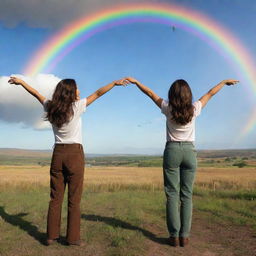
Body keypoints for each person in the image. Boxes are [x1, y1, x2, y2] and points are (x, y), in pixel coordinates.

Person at [8, 76, 128, 246]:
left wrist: (22, 83)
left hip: (57, 153)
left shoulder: (50, 106)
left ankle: (51, 236)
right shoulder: (77, 106)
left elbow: (35, 93)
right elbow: (99, 93)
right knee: (74, 199)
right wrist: (114, 83)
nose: (79, 90)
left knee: (55, 198)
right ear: (71, 92)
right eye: (77, 88)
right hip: (74, 154)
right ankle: (72, 238)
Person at [124, 77, 238, 247]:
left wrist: (136, 82)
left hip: (172, 151)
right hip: (190, 152)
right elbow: (210, 94)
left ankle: (173, 237)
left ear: (172, 95)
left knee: (172, 194)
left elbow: (149, 93)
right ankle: (184, 236)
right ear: (188, 95)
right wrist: (223, 83)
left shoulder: (167, 108)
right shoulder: (195, 108)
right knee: (187, 195)